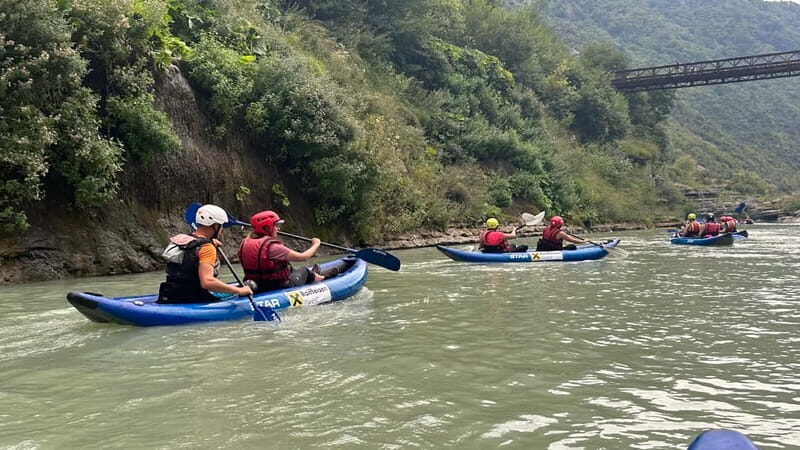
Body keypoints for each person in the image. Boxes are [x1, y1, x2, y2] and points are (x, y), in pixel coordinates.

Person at [157, 204, 253, 303]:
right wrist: (239, 290)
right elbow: (207, 282)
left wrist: (210, 242)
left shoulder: (183, 240)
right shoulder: (207, 248)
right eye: (221, 226)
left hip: (169, 295)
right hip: (193, 299)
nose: (221, 229)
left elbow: (191, 254)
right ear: (215, 225)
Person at [238, 210, 340, 293]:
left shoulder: (245, 242)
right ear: (267, 227)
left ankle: (314, 274)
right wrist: (316, 244)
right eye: (276, 225)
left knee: (290, 268)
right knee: (304, 270)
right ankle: (321, 278)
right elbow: (303, 257)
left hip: (257, 284)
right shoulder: (273, 247)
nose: (277, 229)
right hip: (278, 286)